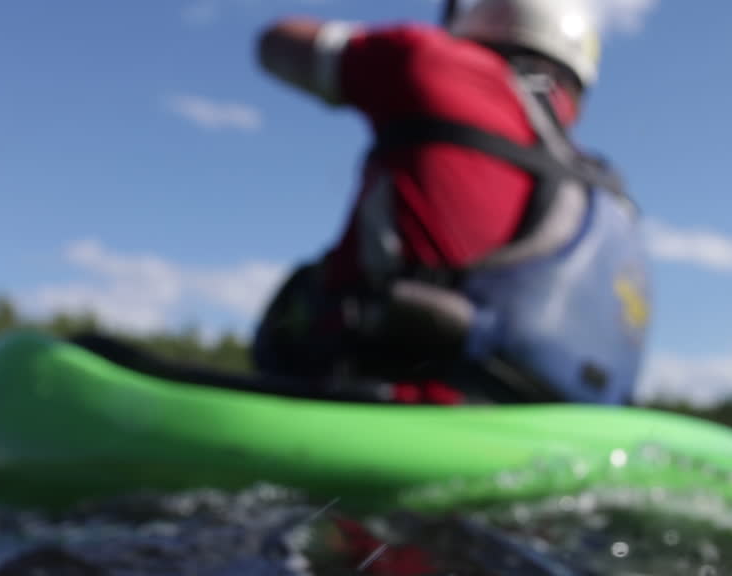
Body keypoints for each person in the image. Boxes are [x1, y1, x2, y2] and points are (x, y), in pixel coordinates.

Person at [251, 0, 652, 406]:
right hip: (547, 427)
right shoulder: (594, 181)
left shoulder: (430, 59)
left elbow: (273, 43)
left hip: (397, 406)